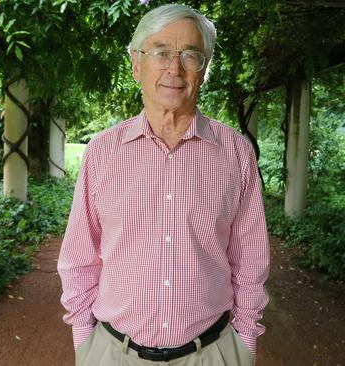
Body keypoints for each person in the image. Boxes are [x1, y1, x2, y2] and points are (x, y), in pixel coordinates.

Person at [58, 4, 270, 365]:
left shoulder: (235, 152)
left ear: (203, 71)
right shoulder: (102, 152)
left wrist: (245, 343)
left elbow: (250, 258)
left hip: (211, 354)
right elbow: (80, 258)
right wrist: (85, 345)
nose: (174, 68)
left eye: (190, 55)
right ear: (136, 63)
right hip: (113, 354)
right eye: (160, 52)